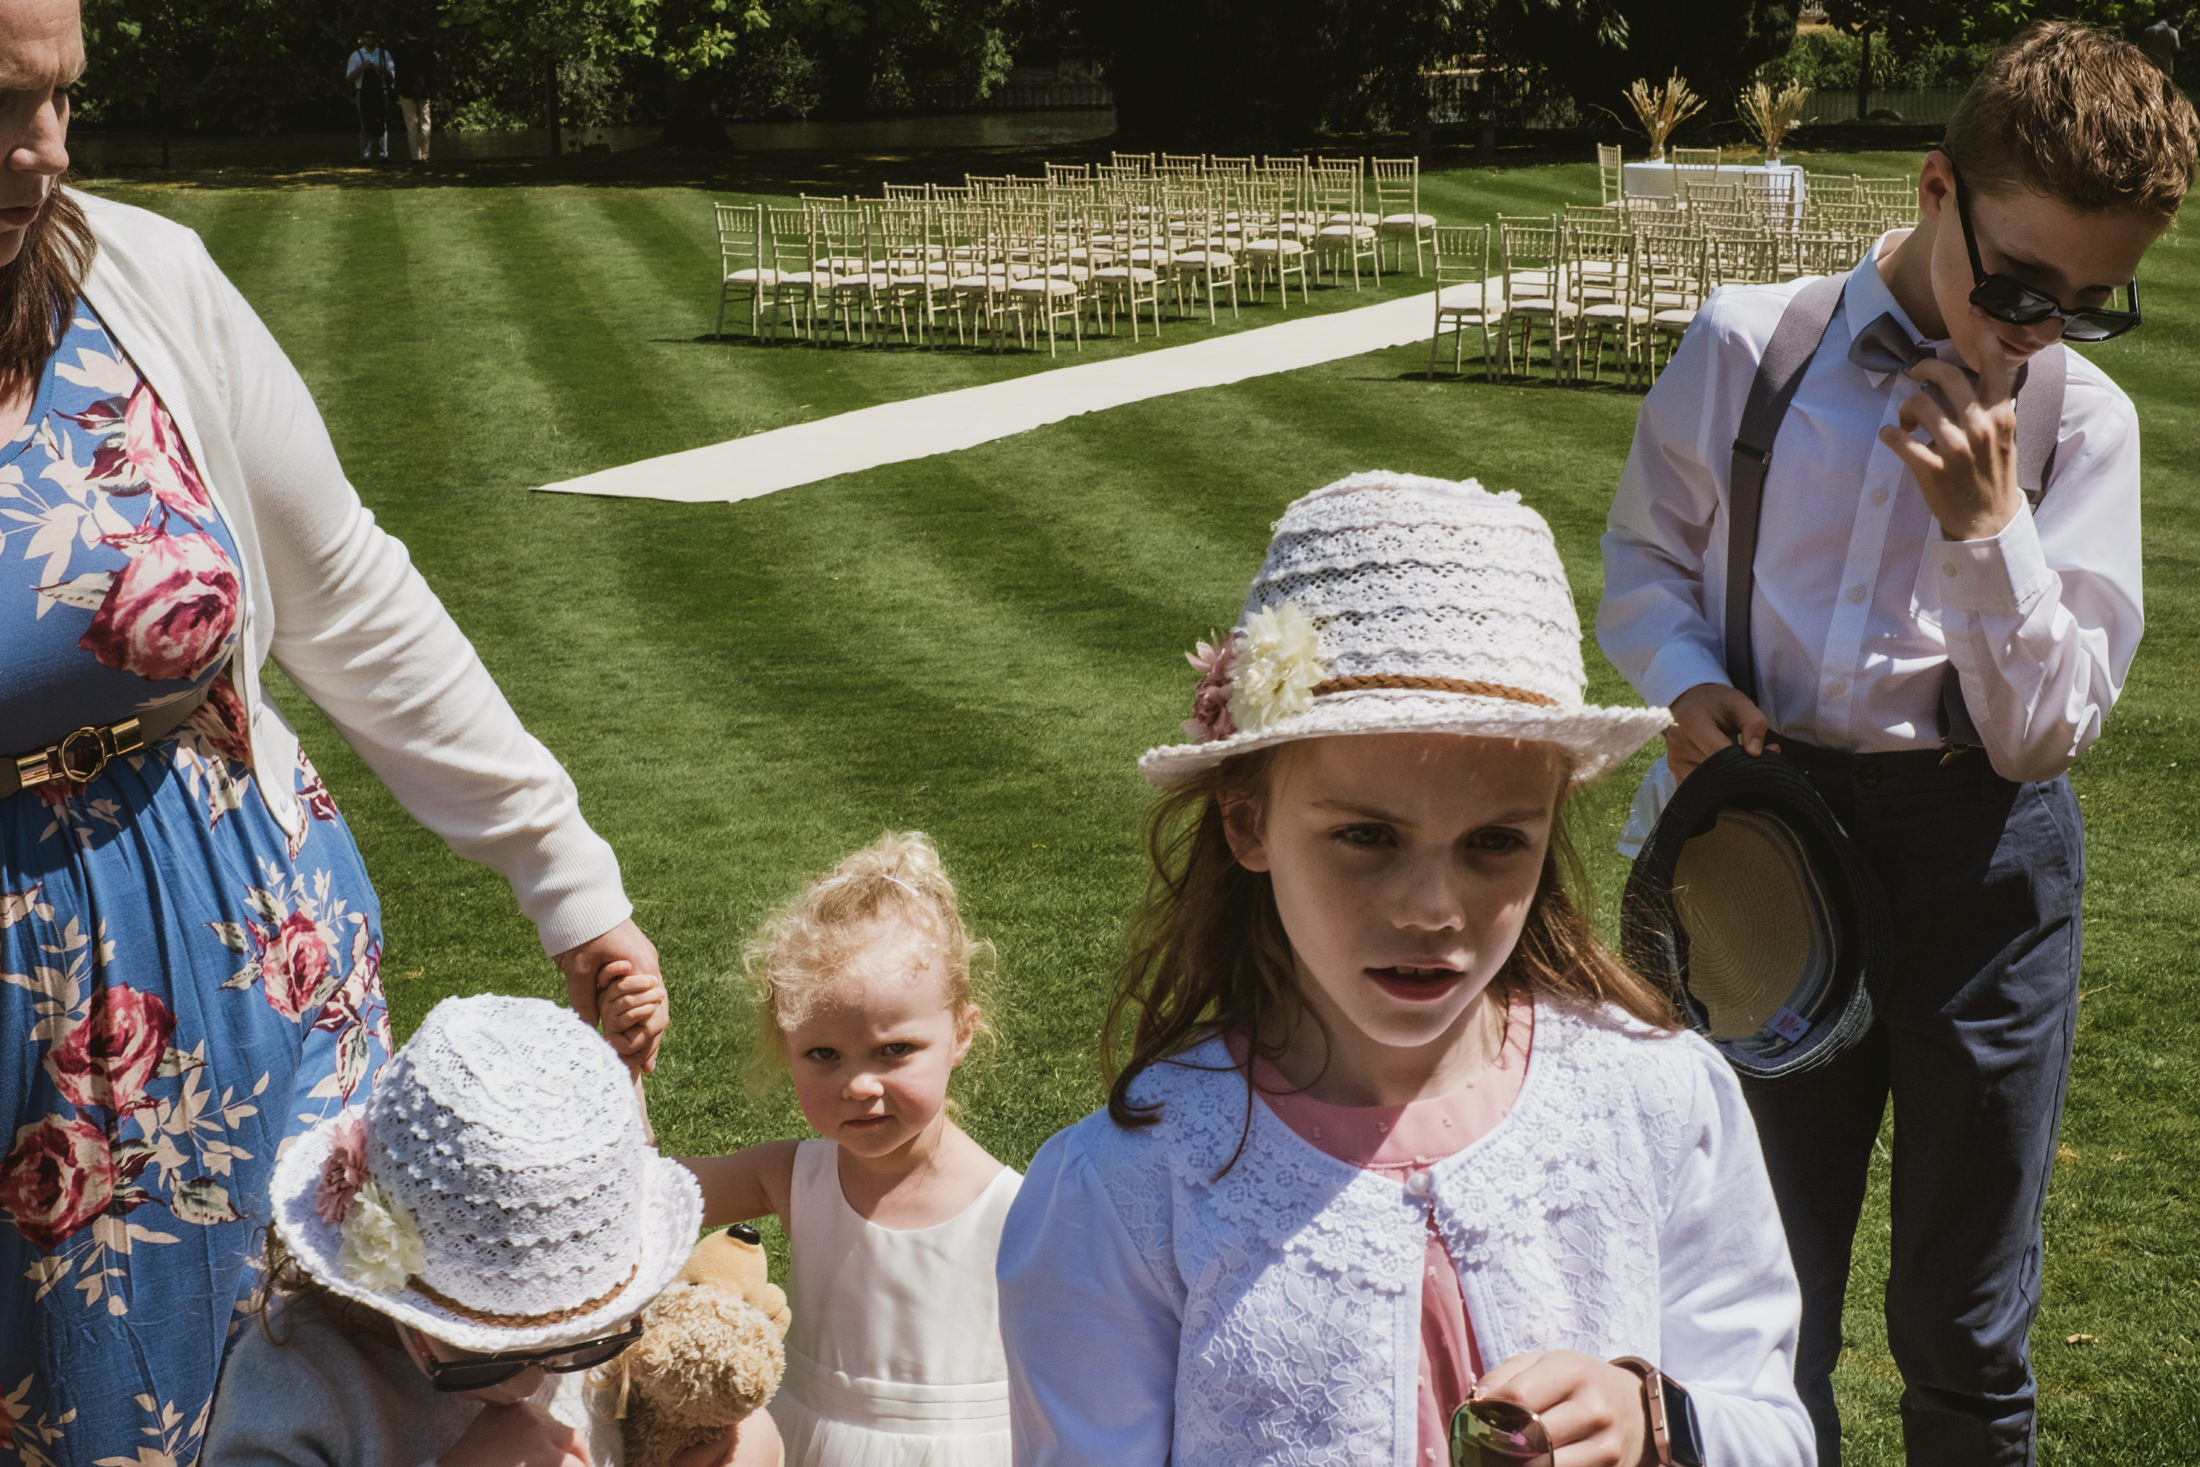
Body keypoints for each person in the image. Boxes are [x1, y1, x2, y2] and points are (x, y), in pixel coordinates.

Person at [0, 2, 665, 1462]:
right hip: (18, 1084)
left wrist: (564, 870)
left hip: (262, 995)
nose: (39, 156)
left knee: (328, 1412)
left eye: (61, 100)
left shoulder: (144, 280)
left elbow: (350, 590)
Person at [1597, 23, 2195, 1465]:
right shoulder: (1754, 349)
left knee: (1964, 1314)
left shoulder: (2082, 429)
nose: (2032, 330)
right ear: (1937, 189)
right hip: (1768, 845)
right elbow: (1645, 565)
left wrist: (1991, 540)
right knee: (1755, 1299)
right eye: (2015, 285)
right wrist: (1684, 681)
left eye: (2088, 304)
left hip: (1982, 867)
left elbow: (2047, 733)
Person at [998, 471, 1814, 1467]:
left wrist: (1657, 1420)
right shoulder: (1126, 1190)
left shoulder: (1656, 1101)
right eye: (1366, 837)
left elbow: (1772, 1429)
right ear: (1247, 820)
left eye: (1492, 845)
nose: (1432, 910)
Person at [204, 992, 766, 1467]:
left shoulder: (599, 1307)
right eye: (485, 1353)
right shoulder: (299, 1383)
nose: (529, 1383)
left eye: (575, 1345)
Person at [681, 832, 1019, 1467]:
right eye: (823, 1055)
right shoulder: (788, 1175)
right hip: (805, 1443)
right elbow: (648, 1195)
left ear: (962, 1034)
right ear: (787, 1046)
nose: (859, 1084)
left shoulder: (1019, 1207)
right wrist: (626, 1066)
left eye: (895, 1050)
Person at [347, 27, 396, 161]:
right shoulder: (356, 55)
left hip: (381, 93)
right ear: (362, 38)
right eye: (366, 36)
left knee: (382, 123)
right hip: (362, 94)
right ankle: (365, 157)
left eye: (372, 36)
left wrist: (381, 71)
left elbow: (392, 75)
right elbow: (349, 77)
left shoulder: (384, 54)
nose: (370, 39)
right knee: (364, 125)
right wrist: (361, 69)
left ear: (376, 38)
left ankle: (384, 155)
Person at [393, 28, 435, 162]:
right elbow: (432, 72)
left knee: (411, 125)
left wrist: (397, 90)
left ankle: (415, 156)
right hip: (424, 90)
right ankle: (425, 155)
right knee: (425, 123)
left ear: (407, 33)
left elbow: (397, 72)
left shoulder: (400, 50)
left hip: (406, 91)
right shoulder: (427, 49)